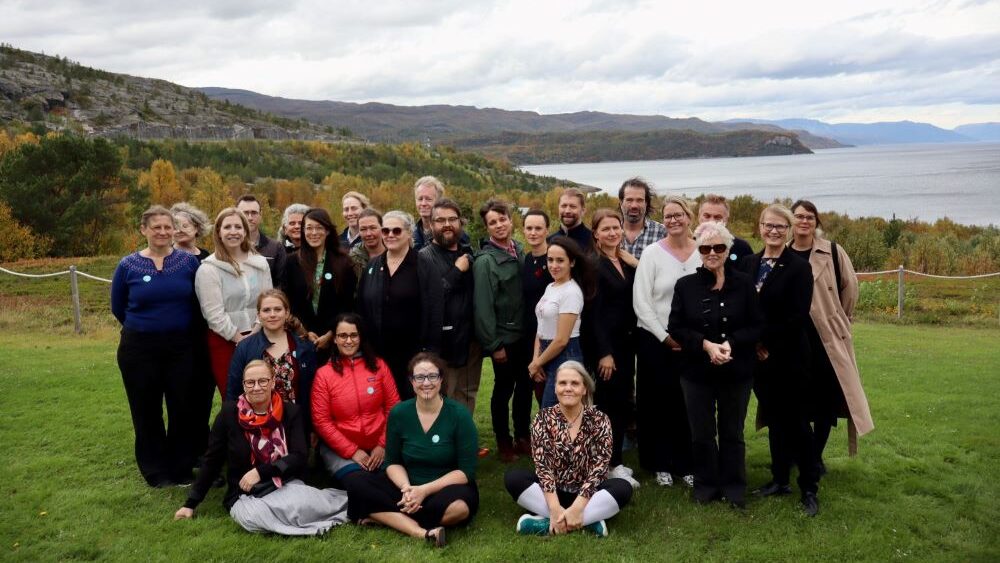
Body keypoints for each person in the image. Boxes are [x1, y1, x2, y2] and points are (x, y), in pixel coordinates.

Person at [174, 361, 349, 535]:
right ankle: (308, 524)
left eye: (263, 381)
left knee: (302, 504)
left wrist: (260, 472)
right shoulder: (229, 413)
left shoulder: (290, 412)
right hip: (247, 495)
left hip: (284, 485)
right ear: (243, 385)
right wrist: (190, 504)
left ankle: (327, 510)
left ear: (273, 382)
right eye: (250, 382)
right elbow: (212, 460)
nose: (256, 387)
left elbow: (299, 456)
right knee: (252, 518)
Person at [668, 222, 763, 509]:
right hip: (696, 372)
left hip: (737, 371)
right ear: (699, 251)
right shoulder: (686, 286)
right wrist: (706, 346)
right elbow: (676, 326)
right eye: (706, 248)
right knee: (702, 432)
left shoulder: (745, 283)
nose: (712, 252)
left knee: (732, 432)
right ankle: (706, 486)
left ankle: (734, 487)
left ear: (728, 250)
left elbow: (758, 325)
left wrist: (731, 344)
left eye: (719, 247)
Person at [344, 353, 479, 548]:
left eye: (432, 376)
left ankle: (389, 518)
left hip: (445, 487)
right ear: (411, 381)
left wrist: (423, 491)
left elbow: (467, 471)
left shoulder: (459, 415)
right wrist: (407, 490)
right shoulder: (399, 413)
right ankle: (420, 531)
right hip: (405, 486)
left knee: (460, 508)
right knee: (355, 482)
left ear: (441, 379)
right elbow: (392, 462)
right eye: (420, 377)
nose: (426, 383)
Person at [111, 205, 201, 487]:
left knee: (182, 407)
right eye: (156, 227)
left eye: (167, 227)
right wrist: (146, 327)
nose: (162, 232)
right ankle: (155, 470)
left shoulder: (188, 263)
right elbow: (118, 307)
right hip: (139, 349)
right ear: (143, 230)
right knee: (145, 409)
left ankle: (181, 467)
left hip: (181, 348)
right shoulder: (128, 265)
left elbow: (198, 302)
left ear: (174, 230)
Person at [740, 205, 821, 516]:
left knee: (798, 423)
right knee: (774, 419)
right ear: (760, 226)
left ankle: (809, 487)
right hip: (758, 359)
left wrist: (765, 342)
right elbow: (742, 307)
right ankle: (779, 479)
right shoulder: (749, 263)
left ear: (788, 230)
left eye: (780, 226)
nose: (773, 231)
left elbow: (796, 315)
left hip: (789, 357)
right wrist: (754, 343)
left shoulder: (799, 267)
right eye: (768, 225)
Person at [789, 200, 874, 465]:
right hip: (794, 339)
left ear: (816, 223)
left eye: (810, 218)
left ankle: (815, 456)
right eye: (799, 217)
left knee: (825, 400)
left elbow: (850, 288)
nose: (804, 222)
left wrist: (839, 319)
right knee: (797, 400)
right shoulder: (782, 254)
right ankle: (800, 453)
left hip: (826, 338)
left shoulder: (833, 252)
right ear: (790, 221)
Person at [505, 361, 633, 537]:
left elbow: (600, 467)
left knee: (623, 487)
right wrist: (555, 507)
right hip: (553, 493)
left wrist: (578, 506)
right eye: (562, 383)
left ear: (584, 389)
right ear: (555, 388)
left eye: (575, 383)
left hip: (588, 495)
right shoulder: (543, 419)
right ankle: (584, 521)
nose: (568, 388)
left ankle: (550, 522)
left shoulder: (599, 420)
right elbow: (543, 468)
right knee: (513, 478)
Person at [632, 195, 699, 487]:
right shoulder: (651, 253)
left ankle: (686, 462)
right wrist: (664, 336)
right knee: (656, 403)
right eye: (668, 216)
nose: (673, 220)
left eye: (678, 214)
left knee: (687, 403)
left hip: (692, 341)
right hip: (655, 339)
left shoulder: (702, 251)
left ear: (689, 217)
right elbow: (641, 301)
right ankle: (659, 462)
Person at [584, 209, 639, 487]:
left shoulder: (624, 261)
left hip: (627, 344)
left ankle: (616, 460)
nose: (612, 233)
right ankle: (606, 464)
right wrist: (603, 353)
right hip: (608, 350)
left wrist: (635, 262)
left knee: (621, 403)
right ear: (596, 234)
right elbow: (594, 314)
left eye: (616, 227)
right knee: (608, 407)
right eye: (605, 229)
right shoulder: (594, 265)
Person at [312, 313, 400, 485]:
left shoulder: (379, 366)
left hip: (379, 446)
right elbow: (321, 421)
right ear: (335, 339)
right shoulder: (323, 375)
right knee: (360, 484)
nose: (348, 341)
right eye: (342, 336)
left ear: (361, 337)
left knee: (391, 480)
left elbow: (394, 408)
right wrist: (352, 451)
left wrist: (382, 445)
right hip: (341, 451)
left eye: (353, 335)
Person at [473, 199, 531, 461]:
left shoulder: (518, 249)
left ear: (511, 220)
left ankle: (522, 436)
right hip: (503, 339)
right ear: (487, 228)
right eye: (492, 222)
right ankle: (504, 442)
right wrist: (494, 345)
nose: (499, 225)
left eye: (502, 219)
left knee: (525, 387)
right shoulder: (486, 261)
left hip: (524, 335)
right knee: (503, 389)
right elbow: (483, 306)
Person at [195, 208, 273, 398]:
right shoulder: (209, 269)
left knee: (262, 394)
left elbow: (267, 301)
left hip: (260, 337)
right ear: (219, 233)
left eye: (238, 226)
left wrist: (255, 332)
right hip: (226, 341)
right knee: (235, 396)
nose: (233, 231)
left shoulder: (260, 263)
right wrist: (240, 339)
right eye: (227, 227)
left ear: (245, 231)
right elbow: (213, 314)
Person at [225, 289, 319, 442]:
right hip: (256, 423)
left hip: (294, 423)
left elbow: (313, 392)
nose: (272, 314)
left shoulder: (304, 347)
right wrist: (234, 430)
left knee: (292, 464)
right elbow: (233, 390)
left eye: (278, 309)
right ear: (259, 315)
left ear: (287, 313)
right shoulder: (245, 347)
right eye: (266, 310)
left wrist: (312, 428)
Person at [418, 199, 483, 414]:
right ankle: (444, 445)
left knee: (468, 393)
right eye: (440, 220)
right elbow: (430, 299)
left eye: (452, 219)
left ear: (460, 223)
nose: (447, 224)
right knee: (445, 396)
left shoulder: (468, 253)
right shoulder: (423, 258)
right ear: (431, 225)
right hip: (444, 344)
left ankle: (465, 442)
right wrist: (456, 271)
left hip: (470, 342)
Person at [358, 210, 428, 399]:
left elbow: (434, 308)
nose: (390, 235)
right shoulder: (373, 266)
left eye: (396, 231)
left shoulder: (423, 264)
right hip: (378, 352)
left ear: (409, 233)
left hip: (412, 353)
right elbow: (362, 308)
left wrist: (429, 351)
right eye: (385, 230)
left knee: (410, 401)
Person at [281, 207, 357, 365]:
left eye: (319, 228)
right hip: (300, 338)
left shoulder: (343, 262)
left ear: (328, 231)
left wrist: (331, 334)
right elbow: (286, 301)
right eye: (309, 228)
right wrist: (303, 331)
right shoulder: (291, 262)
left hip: (335, 340)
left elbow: (348, 304)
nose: (313, 233)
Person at [528, 236, 592, 409]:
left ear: (572, 263)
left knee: (553, 415)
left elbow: (562, 339)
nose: (553, 265)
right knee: (549, 415)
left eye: (560, 260)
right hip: (546, 354)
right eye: (550, 260)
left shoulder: (571, 292)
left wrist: (537, 363)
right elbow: (541, 328)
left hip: (565, 356)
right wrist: (537, 360)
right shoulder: (551, 287)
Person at [521, 209, 554, 404]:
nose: (533, 232)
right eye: (529, 228)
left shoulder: (554, 260)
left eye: (538, 228)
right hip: (530, 335)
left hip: (551, 336)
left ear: (547, 230)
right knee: (538, 390)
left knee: (553, 392)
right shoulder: (527, 259)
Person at [236, 194, 287, 287]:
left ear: (260, 215)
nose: (250, 218)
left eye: (254, 213)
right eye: (245, 213)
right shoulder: (229, 247)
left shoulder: (275, 248)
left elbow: (281, 285)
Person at [697, 195, 753, 264]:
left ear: (726, 220)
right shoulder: (689, 246)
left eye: (717, 217)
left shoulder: (741, 248)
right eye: (707, 216)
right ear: (699, 217)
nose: (711, 221)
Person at [618, 177, 666, 259]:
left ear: (646, 203)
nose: (634, 205)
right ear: (621, 203)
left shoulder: (662, 232)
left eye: (639, 200)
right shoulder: (609, 233)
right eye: (629, 200)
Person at [350, 208, 386, 279]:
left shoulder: (394, 254)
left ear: (382, 228)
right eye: (363, 229)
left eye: (373, 228)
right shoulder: (352, 259)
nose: (368, 234)